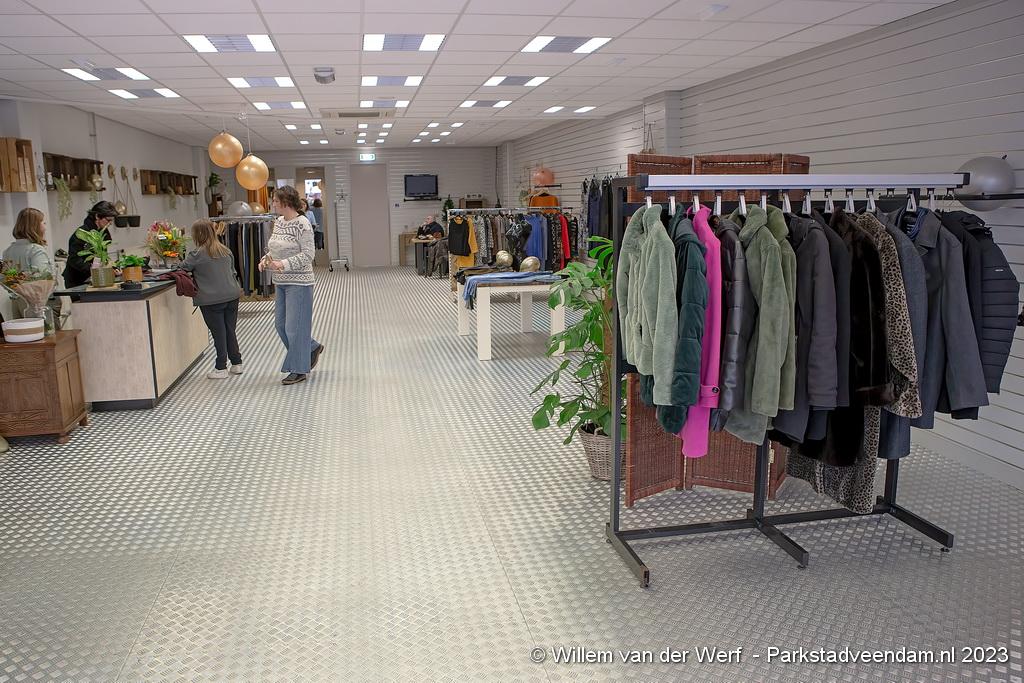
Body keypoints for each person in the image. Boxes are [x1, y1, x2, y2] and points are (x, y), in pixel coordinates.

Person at [261, 185, 324, 385]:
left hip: (299, 282)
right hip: (280, 282)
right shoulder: (279, 222)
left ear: (286, 202)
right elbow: (275, 248)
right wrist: (266, 260)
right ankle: (311, 347)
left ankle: (299, 369)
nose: (273, 204)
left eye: (275, 201)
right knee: (280, 325)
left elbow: (308, 255)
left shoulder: (302, 224)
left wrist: (283, 264)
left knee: (294, 328)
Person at [181, 219, 243, 379]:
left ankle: (221, 368)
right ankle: (237, 363)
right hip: (232, 295)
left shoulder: (196, 255)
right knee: (229, 330)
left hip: (211, 299)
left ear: (198, 234)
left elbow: (182, 268)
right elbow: (233, 272)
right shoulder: (225, 250)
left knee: (219, 333)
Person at [64, 201, 118, 288]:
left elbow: (103, 256)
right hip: (77, 280)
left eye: (111, 220)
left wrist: (112, 268)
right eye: (108, 220)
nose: (110, 223)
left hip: (96, 277)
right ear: (97, 216)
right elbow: (74, 259)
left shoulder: (104, 232)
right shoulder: (82, 233)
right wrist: (92, 269)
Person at [3, 208, 54, 274]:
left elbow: (5, 277)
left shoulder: (8, 251)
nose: (45, 228)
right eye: (44, 223)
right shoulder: (36, 250)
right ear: (35, 226)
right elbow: (42, 277)